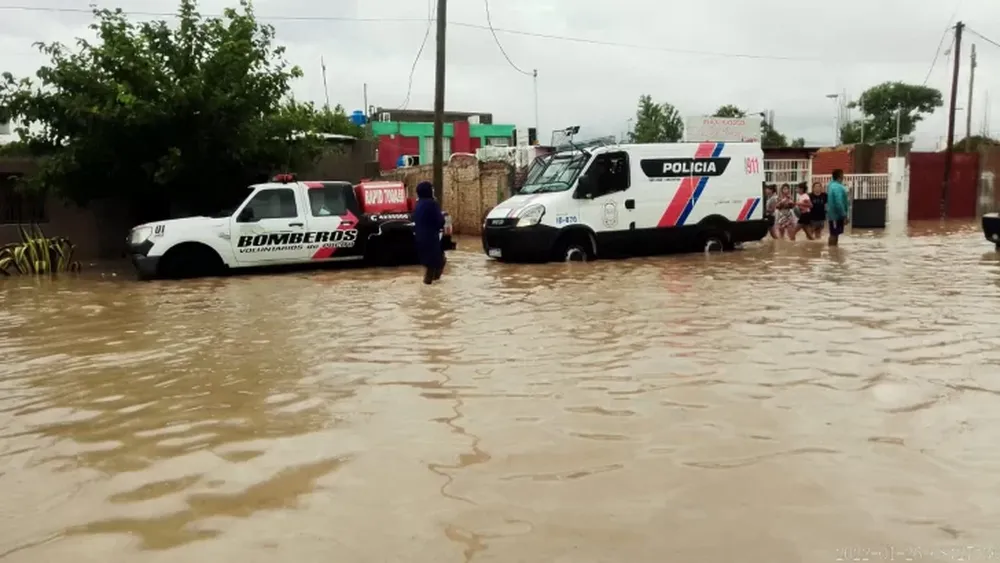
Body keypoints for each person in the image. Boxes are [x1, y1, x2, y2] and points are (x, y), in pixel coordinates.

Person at [413, 181, 446, 284]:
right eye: (431, 189)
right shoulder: (432, 204)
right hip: (431, 239)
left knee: (432, 264)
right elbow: (440, 221)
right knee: (436, 264)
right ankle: (430, 288)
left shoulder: (418, 204)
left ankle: (433, 285)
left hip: (419, 239)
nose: (433, 191)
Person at [826, 169, 850, 246]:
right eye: (843, 175)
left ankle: (833, 251)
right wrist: (844, 215)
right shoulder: (837, 187)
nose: (844, 177)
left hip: (834, 215)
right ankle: (832, 252)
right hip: (836, 216)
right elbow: (838, 202)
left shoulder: (832, 185)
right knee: (834, 234)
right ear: (840, 176)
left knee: (835, 233)